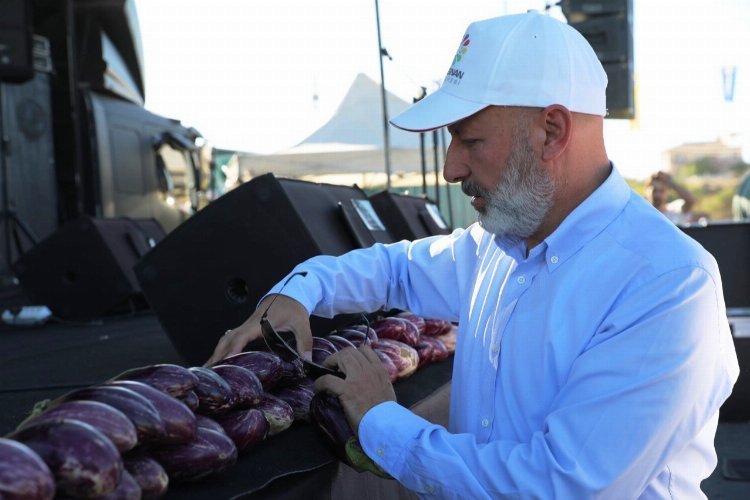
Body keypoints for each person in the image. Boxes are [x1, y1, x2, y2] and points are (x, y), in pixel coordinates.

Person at [207, 12, 739, 498]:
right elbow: (394, 267)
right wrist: (298, 292)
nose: (450, 168)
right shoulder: (501, 246)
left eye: (469, 139)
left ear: (551, 130)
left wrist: (381, 421)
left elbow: (562, 486)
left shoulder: (666, 283)